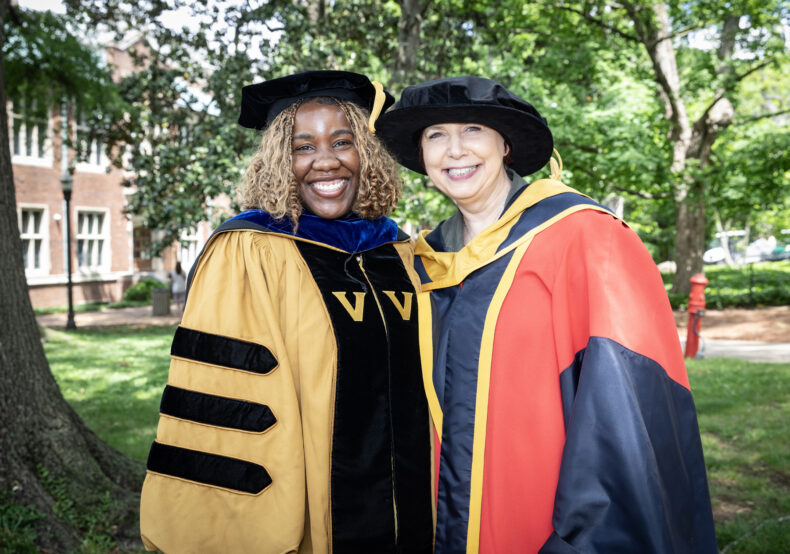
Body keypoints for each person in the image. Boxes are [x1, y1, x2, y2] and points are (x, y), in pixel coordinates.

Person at [377, 76, 717, 553]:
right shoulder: (421, 265)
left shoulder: (585, 241)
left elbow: (624, 420)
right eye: (435, 135)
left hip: (545, 528)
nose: (454, 150)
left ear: (505, 145)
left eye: (473, 129)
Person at [139, 71, 433, 553]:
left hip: (415, 512)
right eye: (303, 147)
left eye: (343, 141)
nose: (325, 160)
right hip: (311, 517)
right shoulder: (249, 253)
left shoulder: (398, 252)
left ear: (367, 154)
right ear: (280, 160)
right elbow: (228, 401)